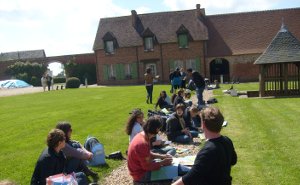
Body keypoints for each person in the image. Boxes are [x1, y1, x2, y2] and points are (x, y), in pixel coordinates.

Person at [172, 107, 237, 185]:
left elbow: (190, 177)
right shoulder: (227, 140)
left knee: (175, 179)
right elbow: (233, 161)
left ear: (203, 124)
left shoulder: (208, 151)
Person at [127, 116, 173, 182]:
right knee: (170, 177)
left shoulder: (142, 135)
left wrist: (163, 156)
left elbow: (148, 153)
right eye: (159, 129)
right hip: (140, 175)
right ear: (157, 129)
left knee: (166, 167)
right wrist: (162, 163)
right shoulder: (142, 143)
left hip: (138, 170)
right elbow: (147, 167)